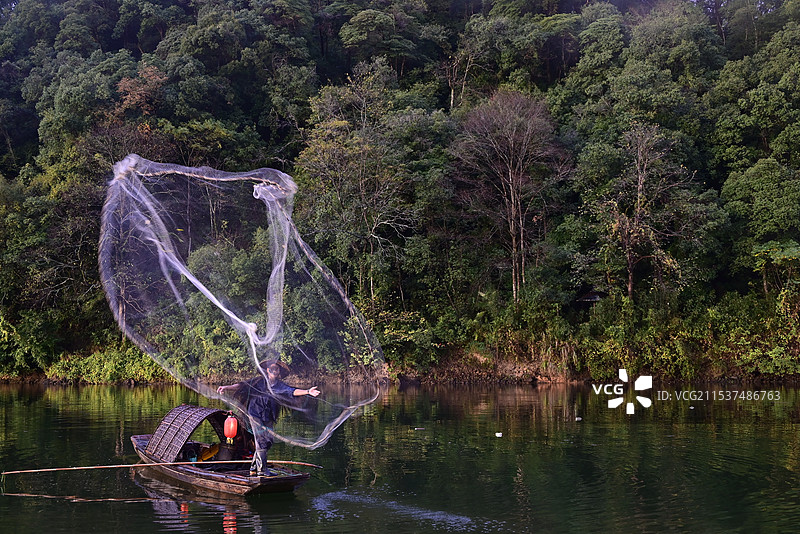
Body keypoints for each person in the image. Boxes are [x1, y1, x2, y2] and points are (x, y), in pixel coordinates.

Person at [216, 359, 321, 475]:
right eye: (272, 369)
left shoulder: (279, 385)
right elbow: (242, 385)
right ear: (267, 370)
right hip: (255, 414)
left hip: (268, 416)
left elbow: (292, 391)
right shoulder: (258, 381)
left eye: (276, 369)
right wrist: (226, 387)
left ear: (279, 372)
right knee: (261, 440)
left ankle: (253, 468)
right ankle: (262, 470)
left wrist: (308, 391)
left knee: (269, 441)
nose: (274, 371)